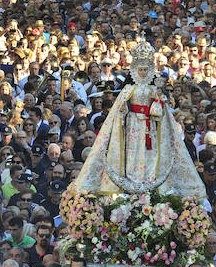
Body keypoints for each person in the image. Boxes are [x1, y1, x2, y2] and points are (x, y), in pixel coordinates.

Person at [71, 41, 205, 199]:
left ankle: (150, 181)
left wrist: (158, 104)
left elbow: (163, 110)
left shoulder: (154, 90)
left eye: (145, 69)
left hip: (151, 127)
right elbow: (119, 110)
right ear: (135, 70)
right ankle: (131, 179)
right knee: (132, 153)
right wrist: (123, 111)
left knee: (150, 153)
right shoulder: (128, 89)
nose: (142, 72)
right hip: (132, 126)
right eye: (140, 69)